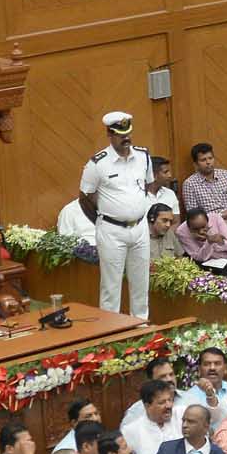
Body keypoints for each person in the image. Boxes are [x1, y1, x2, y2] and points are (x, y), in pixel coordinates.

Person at [79, 111, 155, 317]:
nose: (126, 138)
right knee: (111, 289)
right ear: (109, 134)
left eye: (128, 133)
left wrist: (134, 209)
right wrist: (104, 221)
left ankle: (140, 328)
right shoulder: (98, 163)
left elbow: (147, 185)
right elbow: (85, 197)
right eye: (121, 135)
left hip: (139, 228)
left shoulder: (143, 156)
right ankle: (111, 334)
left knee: (141, 285)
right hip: (111, 231)